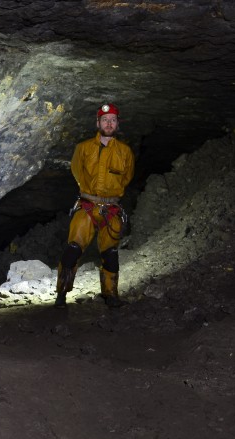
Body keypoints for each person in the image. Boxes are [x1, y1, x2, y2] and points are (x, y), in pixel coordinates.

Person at [54, 103, 135, 309]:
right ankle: (62, 294)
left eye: (113, 120)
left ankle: (111, 295)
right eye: (105, 120)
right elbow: (76, 170)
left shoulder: (125, 152)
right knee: (72, 250)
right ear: (97, 123)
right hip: (87, 206)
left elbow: (126, 177)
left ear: (118, 124)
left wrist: (110, 195)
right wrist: (90, 192)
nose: (109, 123)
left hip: (111, 209)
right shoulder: (83, 148)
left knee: (110, 254)